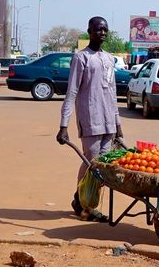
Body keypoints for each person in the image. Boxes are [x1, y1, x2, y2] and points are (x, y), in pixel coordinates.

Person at [56, 16, 124, 222]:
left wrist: (118, 124)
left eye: (105, 30)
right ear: (89, 31)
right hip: (90, 119)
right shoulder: (81, 58)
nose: (102, 33)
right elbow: (71, 93)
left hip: (109, 121)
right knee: (91, 161)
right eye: (98, 29)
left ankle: (83, 201)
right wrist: (63, 125)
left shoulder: (109, 59)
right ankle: (82, 202)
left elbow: (112, 93)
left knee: (102, 167)